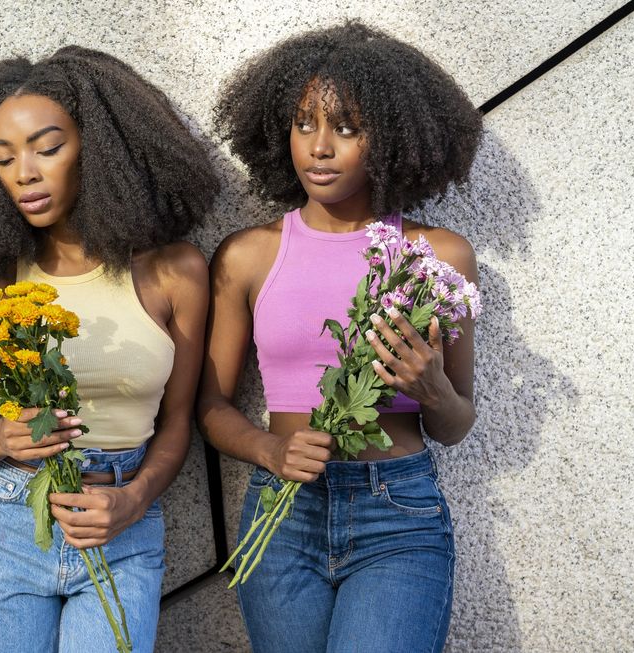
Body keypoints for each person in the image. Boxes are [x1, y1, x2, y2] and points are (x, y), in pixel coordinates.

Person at [0, 47, 218, 652]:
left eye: (47, 148)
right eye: (4, 158)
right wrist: (1, 439)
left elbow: (177, 423)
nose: (24, 174)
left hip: (122, 525)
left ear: (99, 147)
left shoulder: (174, 272)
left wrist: (135, 499)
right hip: (9, 523)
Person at [197, 22, 482, 653]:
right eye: (304, 124)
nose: (319, 147)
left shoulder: (437, 257)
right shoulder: (248, 256)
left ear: (393, 139)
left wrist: (433, 390)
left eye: (347, 128)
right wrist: (269, 450)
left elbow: (457, 422)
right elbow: (211, 406)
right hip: (282, 514)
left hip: (397, 517)